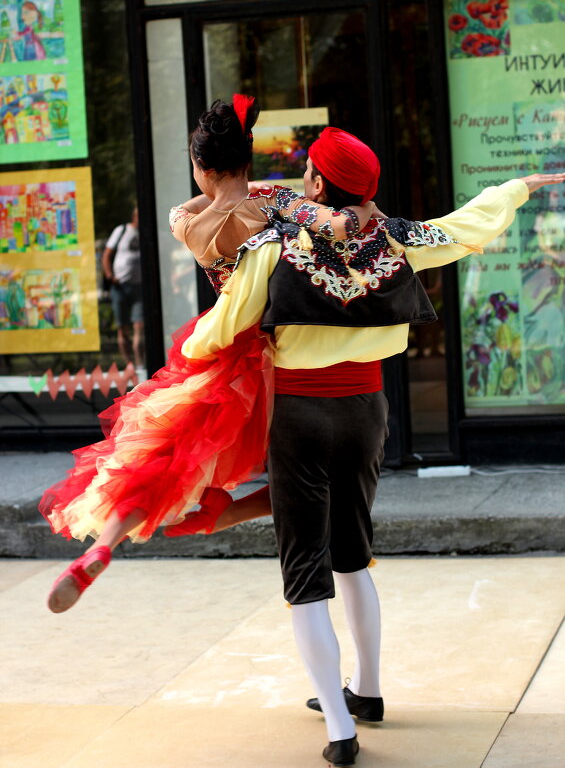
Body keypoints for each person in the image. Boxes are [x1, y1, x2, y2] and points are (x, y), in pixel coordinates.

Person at [162, 124, 564, 765]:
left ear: (317, 183)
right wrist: (515, 189)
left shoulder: (275, 248)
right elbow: (462, 230)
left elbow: (216, 331)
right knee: (353, 554)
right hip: (368, 412)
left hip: (299, 414)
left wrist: (188, 361)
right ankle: (368, 694)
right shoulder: (396, 238)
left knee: (305, 572)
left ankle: (342, 732)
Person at [40, 97, 374, 615]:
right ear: (247, 159)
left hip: (214, 353)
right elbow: (337, 225)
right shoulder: (277, 207)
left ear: (201, 168)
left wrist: (225, 187)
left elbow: (202, 202)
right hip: (273, 357)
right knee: (306, 482)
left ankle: (107, 542)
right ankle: (219, 517)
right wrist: (356, 210)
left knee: (161, 458)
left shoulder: (186, 223)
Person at [102, 207, 145, 371]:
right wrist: (110, 275)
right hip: (120, 285)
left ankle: (140, 364)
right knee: (123, 328)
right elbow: (107, 255)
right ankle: (129, 364)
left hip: (139, 286)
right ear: (134, 216)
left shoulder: (146, 233)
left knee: (139, 326)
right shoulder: (121, 231)